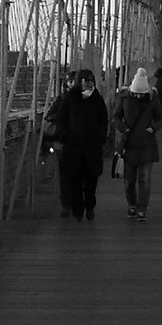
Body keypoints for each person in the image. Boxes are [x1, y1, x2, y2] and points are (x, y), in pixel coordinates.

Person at [50, 65, 111, 220]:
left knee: (91, 181)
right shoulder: (70, 99)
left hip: (92, 147)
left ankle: (90, 206)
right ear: (79, 82)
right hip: (73, 147)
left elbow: (103, 120)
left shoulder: (97, 99)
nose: (89, 84)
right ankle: (78, 211)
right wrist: (64, 134)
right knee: (75, 180)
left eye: (91, 81)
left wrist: (101, 136)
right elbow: (61, 118)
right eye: (86, 81)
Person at [115, 65, 162, 218]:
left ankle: (142, 207)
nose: (137, 96)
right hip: (130, 144)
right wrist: (123, 128)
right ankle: (132, 204)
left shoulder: (152, 99)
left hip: (146, 144)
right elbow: (116, 116)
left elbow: (159, 118)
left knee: (144, 179)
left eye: (140, 94)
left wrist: (153, 128)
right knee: (129, 180)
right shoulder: (124, 98)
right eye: (135, 94)